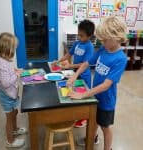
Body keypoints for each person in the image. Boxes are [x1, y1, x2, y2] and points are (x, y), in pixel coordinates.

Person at [67, 16, 127, 150]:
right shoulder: (102, 49)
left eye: (105, 40)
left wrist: (83, 95)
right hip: (95, 95)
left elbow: (106, 85)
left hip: (106, 100)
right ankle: (92, 138)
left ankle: (108, 148)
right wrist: (74, 75)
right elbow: (86, 63)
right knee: (93, 120)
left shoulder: (120, 59)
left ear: (116, 37)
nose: (102, 42)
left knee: (105, 126)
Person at [53, 19, 95, 127]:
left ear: (89, 36)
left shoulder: (90, 47)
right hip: (74, 73)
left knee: (82, 96)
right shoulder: (77, 43)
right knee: (73, 93)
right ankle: (76, 114)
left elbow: (84, 63)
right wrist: (58, 61)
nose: (79, 37)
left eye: (82, 35)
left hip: (84, 75)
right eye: (78, 34)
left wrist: (70, 66)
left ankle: (83, 118)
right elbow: (69, 54)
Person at [0, 33, 27, 148]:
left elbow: (7, 71)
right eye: (13, 48)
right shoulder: (0, 63)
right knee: (9, 118)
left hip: (11, 94)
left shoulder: (1, 59)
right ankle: (10, 141)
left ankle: (15, 129)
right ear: (7, 48)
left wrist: (14, 69)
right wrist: (16, 75)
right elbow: (5, 82)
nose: (14, 51)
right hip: (6, 95)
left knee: (14, 112)